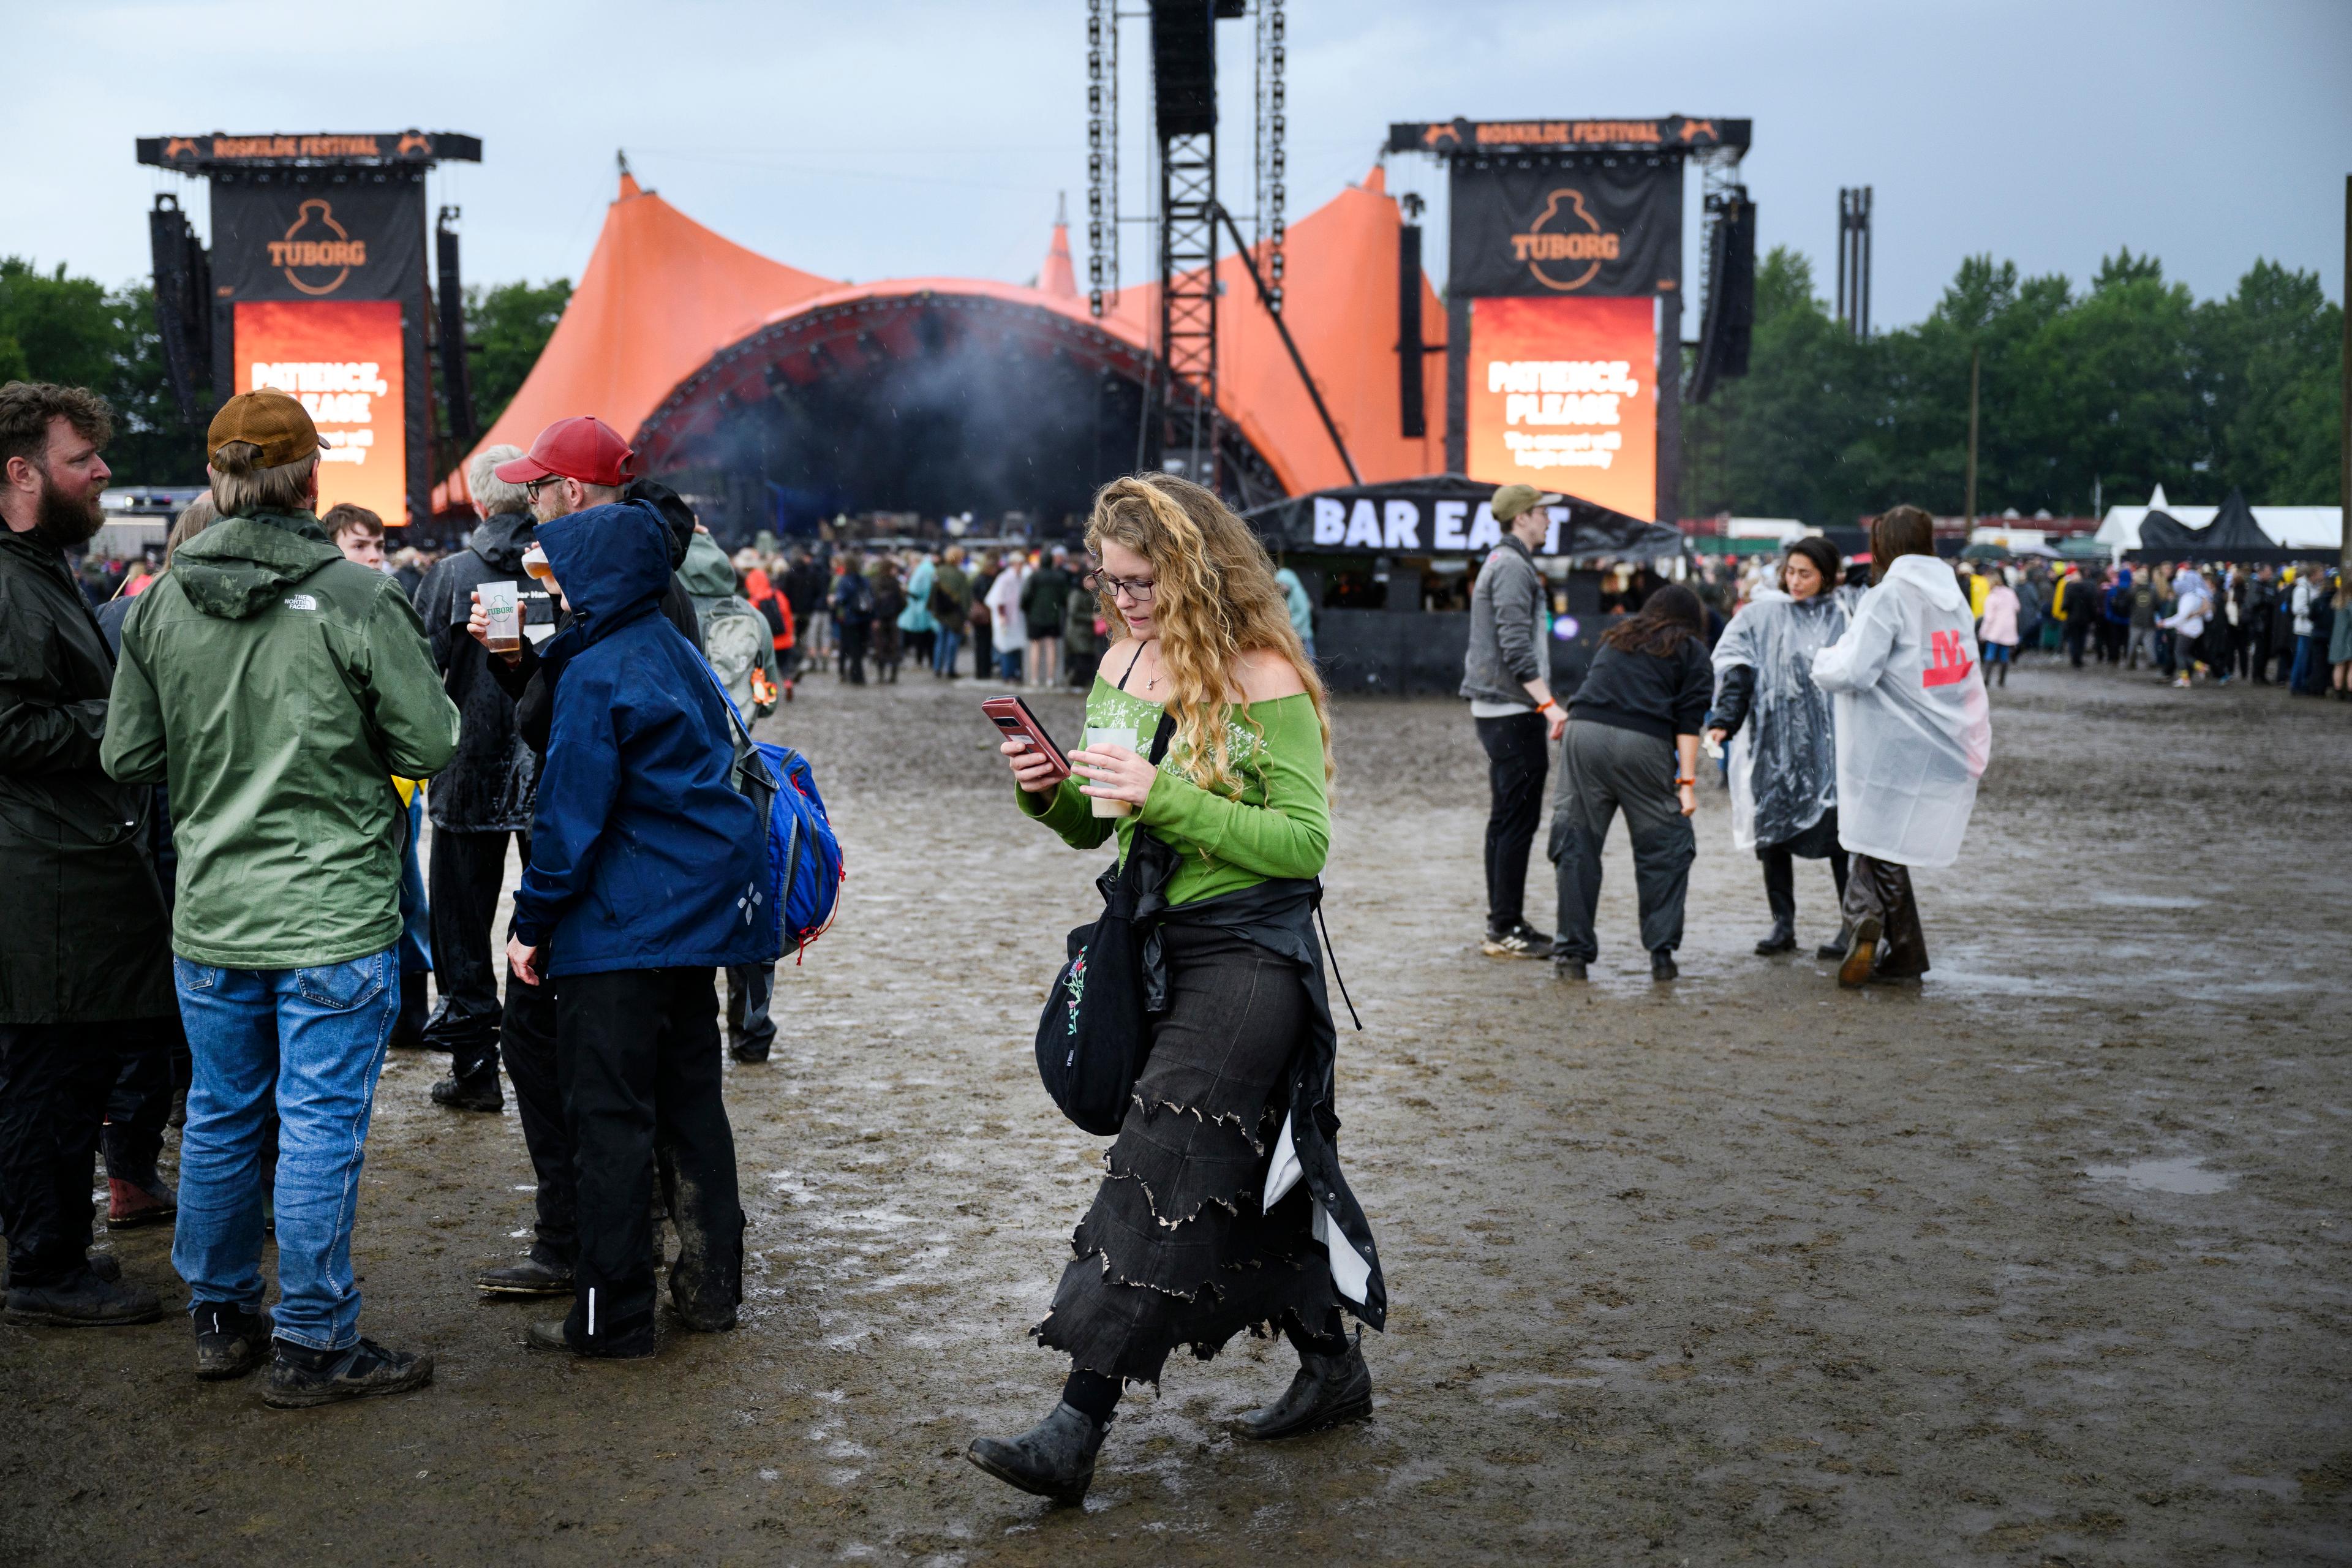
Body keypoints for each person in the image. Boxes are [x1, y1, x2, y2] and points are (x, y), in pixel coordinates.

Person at [971, 474, 1383, 1505]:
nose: (1125, 602)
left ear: (1197, 570)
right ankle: (1332, 1364)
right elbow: (1099, 823)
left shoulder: (1263, 673)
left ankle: (1078, 1422)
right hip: (1155, 944)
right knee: (1238, 1176)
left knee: (1159, 1159)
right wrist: (1049, 794)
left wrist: (1171, 796)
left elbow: (1303, 844)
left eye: (1144, 581)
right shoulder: (1122, 661)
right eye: (1112, 582)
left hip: (1252, 956)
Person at [105, 390, 461, 1400]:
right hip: (332, 914)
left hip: (214, 910)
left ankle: (219, 1319)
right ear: (311, 480)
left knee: (220, 1117)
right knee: (316, 1126)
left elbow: (126, 750)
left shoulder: (160, 601)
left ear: (217, 478)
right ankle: (313, 1341)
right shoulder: (355, 596)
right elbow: (433, 742)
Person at [500, 494, 763, 1359]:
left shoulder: (599, 670)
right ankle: (711, 1291)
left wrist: (530, 924)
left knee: (608, 1121)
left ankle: (609, 1319)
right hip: (689, 928)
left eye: (565, 572)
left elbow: (570, 821)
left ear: (596, 578)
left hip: (616, 932)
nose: (557, 587)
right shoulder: (674, 651)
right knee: (693, 1106)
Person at [0, 382, 178, 1329]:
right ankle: (45, 1268)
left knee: (61, 1077)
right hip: (45, 878)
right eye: (82, 460)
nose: (102, 471)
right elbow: (10, 726)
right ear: (21, 474)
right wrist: (131, 720)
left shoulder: (36, 568)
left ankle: (55, 1251)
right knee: (49, 1080)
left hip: (62, 869)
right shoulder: (8, 579)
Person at [92, 496, 217, 1229]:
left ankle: (129, 1173)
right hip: (184, 824)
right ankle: (156, 1172)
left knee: (140, 1007)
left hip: (122, 831)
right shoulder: (195, 616)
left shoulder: (112, 610)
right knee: (194, 1006)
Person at [410, 448, 544, 1112]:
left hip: (468, 774)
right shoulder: (557, 571)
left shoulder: (450, 575)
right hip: (547, 771)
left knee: (461, 927)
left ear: (480, 503)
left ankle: (475, 1068)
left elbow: (417, 674)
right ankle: (548, 1054)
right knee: (549, 917)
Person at [1810, 505, 1990, 989]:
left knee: (1872, 834)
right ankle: (1895, 945)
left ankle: (1872, 924)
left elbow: (1855, 670)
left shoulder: (1889, 595)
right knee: (1880, 836)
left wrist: (1822, 659)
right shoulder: (1951, 593)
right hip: (1942, 734)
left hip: (1888, 737)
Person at [1548, 586, 1709, 982]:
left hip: (1583, 732)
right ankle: (1661, 956)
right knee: (1664, 846)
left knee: (1577, 842)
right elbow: (1689, 723)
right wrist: (1686, 782)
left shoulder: (1618, 637)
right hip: (1643, 744)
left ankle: (1572, 956)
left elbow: (1597, 690)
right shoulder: (1691, 651)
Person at [1706, 538, 1855, 960]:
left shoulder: (1847, 614)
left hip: (1828, 754)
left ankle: (1851, 924)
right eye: (1790, 571)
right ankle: (1783, 923)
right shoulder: (1763, 616)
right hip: (1773, 748)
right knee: (1773, 835)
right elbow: (1738, 672)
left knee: (1840, 838)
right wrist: (1723, 721)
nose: (1795, 581)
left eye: (1806, 573)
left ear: (1826, 575)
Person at [1459, 483, 1567, 961]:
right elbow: (1516, 646)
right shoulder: (1513, 568)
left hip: (1499, 709)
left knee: (1506, 819)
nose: (1549, 520)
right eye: (1543, 513)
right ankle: (1505, 928)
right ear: (1522, 517)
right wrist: (1550, 705)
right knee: (1515, 821)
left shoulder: (1504, 563)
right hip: (1512, 710)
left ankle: (1506, 922)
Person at [1020, 545, 1071, 689]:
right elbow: (1065, 598)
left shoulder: (1034, 577)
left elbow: (1025, 596)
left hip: (1035, 617)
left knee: (1035, 646)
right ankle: (1050, 679)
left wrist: (1027, 609)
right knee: (1051, 647)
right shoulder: (1059, 577)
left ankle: (1035, 678)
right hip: (1053, 617)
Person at [2160, 565, 2211, 689]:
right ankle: (2197, 669)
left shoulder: (2188, 597)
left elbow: (2182, 617)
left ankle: (2187, 678)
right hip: (2193, 629)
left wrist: (2165, 623)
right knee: (2182, 653)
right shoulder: (2199, 595)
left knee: (2179, 653)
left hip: (2188, 629)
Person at [987, 548, 1030, 684]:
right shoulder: (1005, 579)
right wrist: (1002, 617)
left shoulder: (1020, 578)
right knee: (1006, 648)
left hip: (1017, 619)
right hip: (1007, 619)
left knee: (1016, 647)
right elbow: (998, 600)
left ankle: (1014, 673)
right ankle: (1007, 674)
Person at [930, 545, 970, 678]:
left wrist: (934, 609)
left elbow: (933, 593)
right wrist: (965, 614)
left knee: (940, 640)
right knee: (953, 642)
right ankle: (950, 669)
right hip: (955, 613)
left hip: (942, 612)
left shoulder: (938, 572)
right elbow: (965, 597)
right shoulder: (960, 575)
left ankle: (937, 668)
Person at [1978, 570, 2021, 688]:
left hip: (1995, 629)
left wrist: (1983, 633)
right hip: (2009, 628)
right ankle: (2002, 681)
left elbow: (1989, 618)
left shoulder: (1992, 597)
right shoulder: (2010, 593)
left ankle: (1986, 679)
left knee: (1990, 653)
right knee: (2004, 654)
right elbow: (2017, 607)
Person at [899, 549, 938, 673]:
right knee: (929, 638)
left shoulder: (922, 571)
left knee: (920, 638)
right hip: (928, 608)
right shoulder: (930, 569)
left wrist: (906, 590)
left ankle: (920, 661)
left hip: (920, 608)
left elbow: (916, 591)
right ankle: (932, 661)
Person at [1063, 561, 1101, 688]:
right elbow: (1073, 614)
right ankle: (1076, 683)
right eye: (1090, 580)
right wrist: (1090, 617)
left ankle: (1081, 683)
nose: (1094, 583)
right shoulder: (1076, 594)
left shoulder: (1088, 594)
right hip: (1078, 633)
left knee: (1087, 658)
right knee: (1082, 659)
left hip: (1086, 633)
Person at [870, 556, 907, 683]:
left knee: (880, 647)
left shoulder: (875, 582)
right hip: (892, 619)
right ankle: (893, 675)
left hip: (879, 619)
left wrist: (874, 617)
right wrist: (896, 613)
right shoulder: (895, 582)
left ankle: (881, 675)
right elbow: (902, 602)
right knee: (894, 647)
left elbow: (872, 602)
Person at [1274, 559, 1316, 660]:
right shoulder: (1293, 593)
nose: (1281, 587)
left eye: (1282, 583)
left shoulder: (1297, 593)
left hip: (1302, 633)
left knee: (1309, 659)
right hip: (1300, 633)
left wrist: (1289, 625)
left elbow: (1303, 612)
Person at [2054, 565, 2094, 668]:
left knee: (2074, 639)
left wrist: (2063, 610)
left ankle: (2074, 657)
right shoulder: (2087, 589)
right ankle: (2079, 658)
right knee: (2082, 639)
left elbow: (2066, 603)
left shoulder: (2070, 588)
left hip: (2072, 618)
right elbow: (2091, 604)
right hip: (2084, 619)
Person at [968, 551, 998, 680]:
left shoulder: (978, 579)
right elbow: (986, 598)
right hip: (985, 617)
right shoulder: (987, 580)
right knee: (985, 645)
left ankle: (981, 671)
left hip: (978, 618)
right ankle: (984, 671)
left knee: (981, 645)